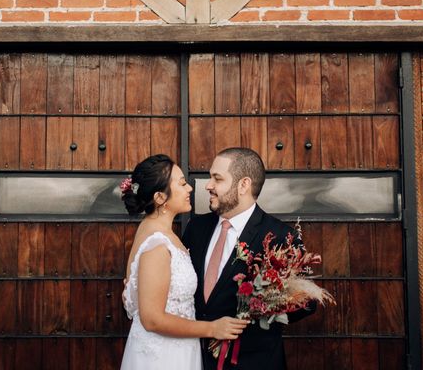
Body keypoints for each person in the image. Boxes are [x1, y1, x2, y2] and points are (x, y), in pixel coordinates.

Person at [182, 147, 317, 370]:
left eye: (217, 178)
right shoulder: (196, 228)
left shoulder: (281, 237)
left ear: (244, 185)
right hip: (193, 359)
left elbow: (307, 301)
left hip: (252, 362)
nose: (208, 185)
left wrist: (265, 305)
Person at [120, 154, 248, 370]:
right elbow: (151, 319)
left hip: (177, 349)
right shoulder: (157, 244)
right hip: (163, 358)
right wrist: (212, 329)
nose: (189, 188)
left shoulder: (157, 232)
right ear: (160, 197)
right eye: (181, 183)